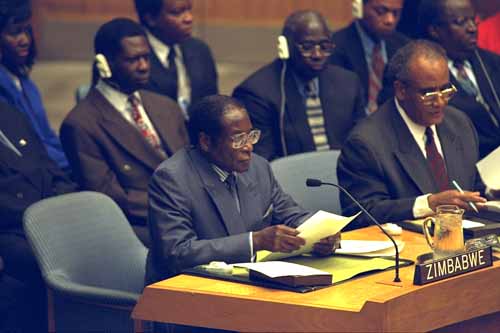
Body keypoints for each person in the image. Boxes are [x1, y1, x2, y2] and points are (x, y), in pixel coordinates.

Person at [147, 95, 340, 283]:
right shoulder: (172, 179)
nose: (248, 147)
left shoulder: (258, 167)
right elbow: (177, 253)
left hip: (249, 282)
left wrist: (321, 232)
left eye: (251, 136)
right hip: (189, 292)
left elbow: (290, 214)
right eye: (238, 139)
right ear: (205, 142)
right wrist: (254, 241)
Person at [60, 18, 189, 247]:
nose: (143, 66)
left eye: (146, 57)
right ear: (104, 64)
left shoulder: (166, 105)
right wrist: (179, 209)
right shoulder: (81, 125)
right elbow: (110, 199)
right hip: (142, 228)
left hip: (188, 215)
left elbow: (193, 166)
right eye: (132, 60)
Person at [337, 40, 486, 229]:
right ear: (401, 90)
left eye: (445, 89)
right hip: (408, 248)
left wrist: (489, 193)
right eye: (428, 93)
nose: (440, 102)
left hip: (465, 243)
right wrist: (428, 204)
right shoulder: (366, 142)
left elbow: (475, 188)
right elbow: (361, 214)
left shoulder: (459, 123)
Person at [233, 10, 365, 161]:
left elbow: (360, 143)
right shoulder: (256, 93)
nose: (317, 55)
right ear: (286, 47)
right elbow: (261, 161)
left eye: (324, 46)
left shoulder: (348, 83)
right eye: (307, 47)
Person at [0, 97, 77, 332]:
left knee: (102, 244)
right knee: (61, 262)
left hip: (47, 215)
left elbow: (50, 168)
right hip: (10, 228)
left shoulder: (9, 111)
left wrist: (67, 207)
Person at [417, 0, 500, 158]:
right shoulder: (421, 74)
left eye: (473, 20)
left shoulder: (493, 62)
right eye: (461, 22)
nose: (472, 28)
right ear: (435, 30)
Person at [0, 0, 69, 170]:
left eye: (26, 31)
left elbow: (48, 137)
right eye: (15, 33)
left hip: (56, 165)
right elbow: (29, 150)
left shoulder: (26, 84)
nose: (24, 40)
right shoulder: (3, 87)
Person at [134, 0, 218, 118]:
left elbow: (213, 106)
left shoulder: (200, 50)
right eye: (177, 13)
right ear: (151, 19)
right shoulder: (133, 58)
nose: (189, 18)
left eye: (189, 10)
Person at [331, 0, 408, 114]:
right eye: (381, 11)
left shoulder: (404, 47)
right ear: (359, 8)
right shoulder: (336, 46)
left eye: (396, 13)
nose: (390, 20)